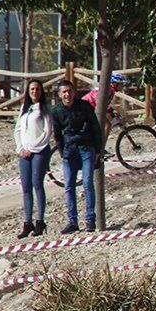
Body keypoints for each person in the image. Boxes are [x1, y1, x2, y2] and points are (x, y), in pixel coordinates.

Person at [51, 80, 102, 234]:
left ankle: (90, 220)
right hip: (69, 151)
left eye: (69, 91)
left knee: (87, 183)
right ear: (60, 94)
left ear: (74, 92)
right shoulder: (56, 111)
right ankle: (73, 221)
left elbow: (95, 128)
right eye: (64, 92)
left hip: (86, 148)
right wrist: (62, 152)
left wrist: (98, 150)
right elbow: (57, 134)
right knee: (69, 186)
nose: (67, 94)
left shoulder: (85, 106)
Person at [13, 80, 53, 238]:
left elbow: (47, 132)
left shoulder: (44, 109)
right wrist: (21, 148)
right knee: (26, 187)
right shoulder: (25, 108)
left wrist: (32, 148)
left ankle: (40, 221)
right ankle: (27, 222)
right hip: (24, 152)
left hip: (39, 151)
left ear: (41, 91)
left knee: (37, 184)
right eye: (32, 89)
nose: (34, 91)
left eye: (37, 89)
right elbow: (17, 130)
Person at [82, 73, 127, 152]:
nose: (123, 86)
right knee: (107, 125)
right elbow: (99, 101)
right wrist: (110, 110)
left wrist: (111, 110)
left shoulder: (110, 90)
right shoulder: (109, 90)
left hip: (90, 107)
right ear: (115, 84)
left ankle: (98, 146)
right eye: (121, 84)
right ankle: (101, 148)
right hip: (87, 107)